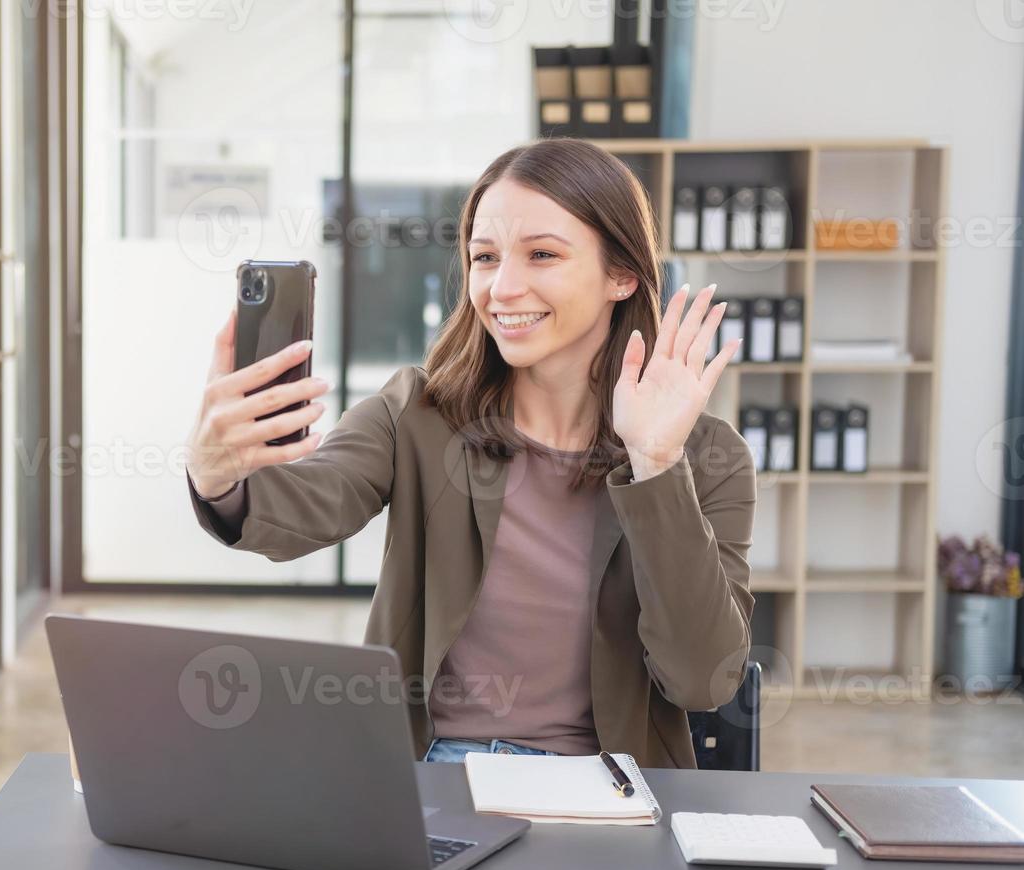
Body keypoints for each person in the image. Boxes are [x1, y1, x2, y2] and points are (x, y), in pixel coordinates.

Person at [184, 138, 755, 769]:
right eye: (485, 258)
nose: (503, 288)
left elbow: (704, 680)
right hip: (437, 772)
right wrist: (218, 475)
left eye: (542, 255)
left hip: (607, 790)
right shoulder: (417, 413)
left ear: (621, 274)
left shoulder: (706, 458)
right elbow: (309, 505)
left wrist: (655, 464)